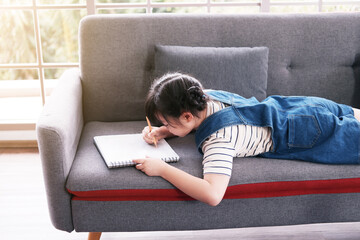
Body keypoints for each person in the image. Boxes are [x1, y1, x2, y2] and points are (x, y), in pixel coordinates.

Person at [133, 72, 360, 206]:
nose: (165, 126)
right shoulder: (205, 96)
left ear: (187, 116)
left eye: (168, 122)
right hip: (300, 106)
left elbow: (213, 194)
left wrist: (162, 169)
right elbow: (189, 122)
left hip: (308, 132)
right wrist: (165, 131)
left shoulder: (218, 139)